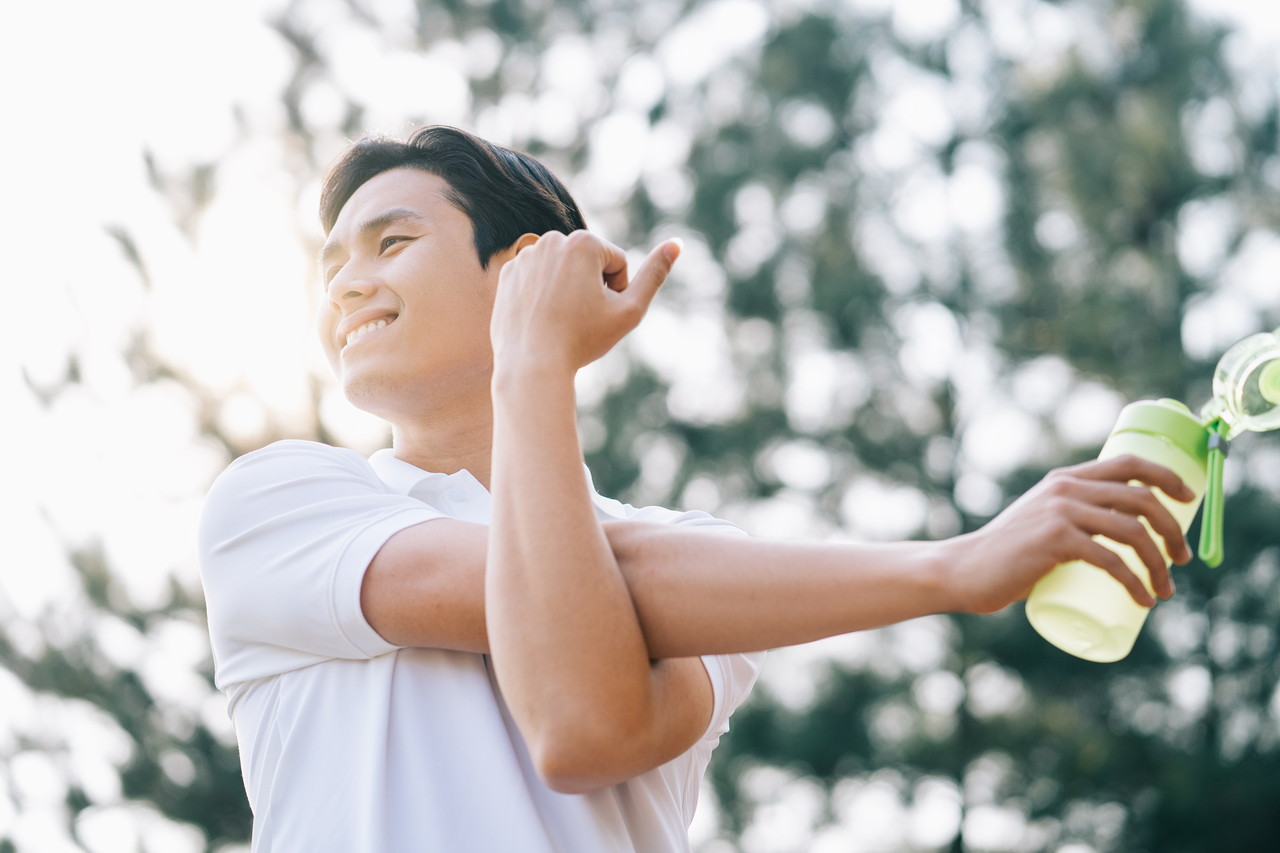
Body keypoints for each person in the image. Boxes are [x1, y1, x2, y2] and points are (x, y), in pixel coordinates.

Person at [198, 125, 1195, 852]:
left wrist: (530, 368)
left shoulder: (686, 547)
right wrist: (955, 567)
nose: (343, 283)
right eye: (331, 262)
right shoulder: (280, 504)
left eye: (390, 241)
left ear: (521, 271)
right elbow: (562, 583)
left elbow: (586, 730)